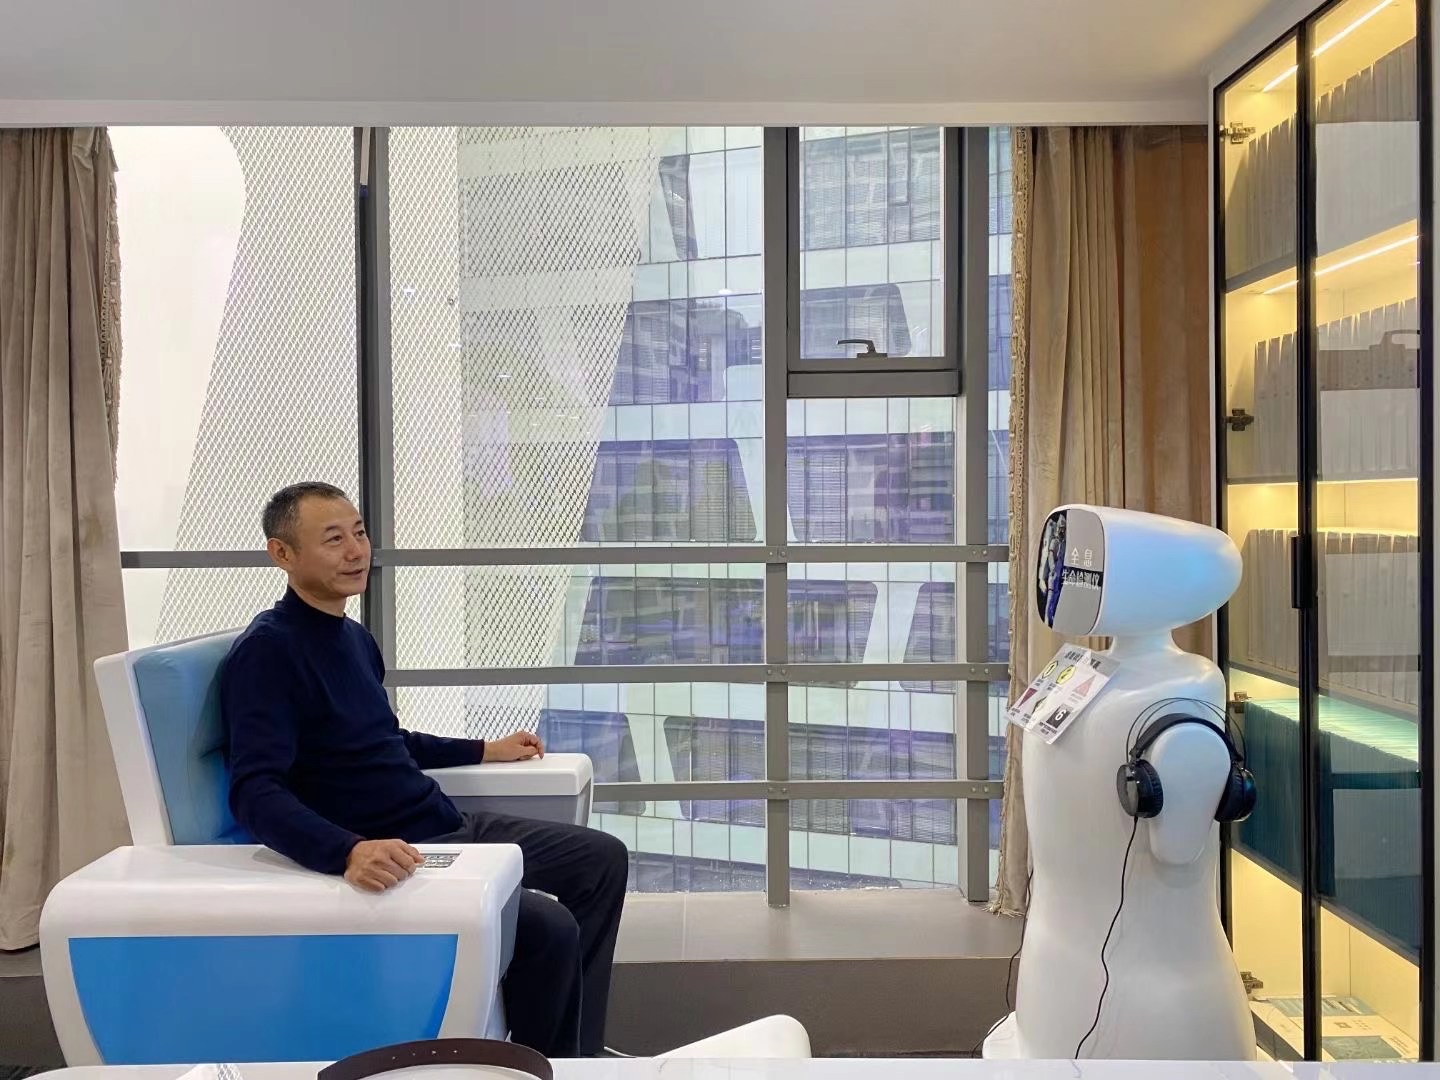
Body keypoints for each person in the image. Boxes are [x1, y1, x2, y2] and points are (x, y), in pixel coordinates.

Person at [220, 481, 628, 1059]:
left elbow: (389, 741)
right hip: (400, 850)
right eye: (333, 540)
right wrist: (347, 851)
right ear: (282, 554)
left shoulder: (353, 639)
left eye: (359, 533)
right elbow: (254, 790)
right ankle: (540, 1064)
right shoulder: (268, 652)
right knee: (548, 927)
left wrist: (484, 749)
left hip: (444, 824)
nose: (356, 551)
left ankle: (576, 1053)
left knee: (600, 859)